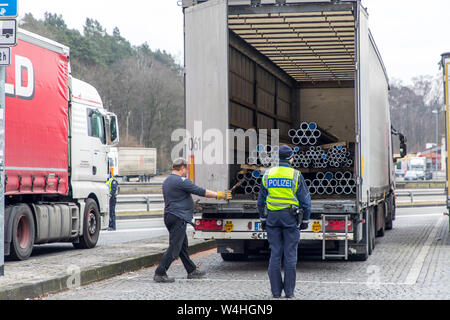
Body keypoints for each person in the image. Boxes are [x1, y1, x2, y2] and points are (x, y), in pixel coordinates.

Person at [154, 158, 232, 283]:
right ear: (183, 168)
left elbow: (177, 198)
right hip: (178, 217)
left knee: (183, 247)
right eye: (186, 169)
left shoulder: (167, 180)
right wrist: (219, 195)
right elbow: (201, 191)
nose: (186, 172)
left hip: (170, 216)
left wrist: (189, 205)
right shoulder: (181, 181)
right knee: (175, 248)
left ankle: (191, 271)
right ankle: (160, 272)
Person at [258, 145, 311, 299]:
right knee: (290, 255)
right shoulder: (295, 175)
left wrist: (263, 219)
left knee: (275, 254)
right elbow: (306, 202)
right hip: (290, 219)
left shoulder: (267, 174)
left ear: (277, 158)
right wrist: (305, 221)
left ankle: (275, 292)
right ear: (291, 158)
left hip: (272, 219)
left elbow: (260, 201)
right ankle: (289, 292)